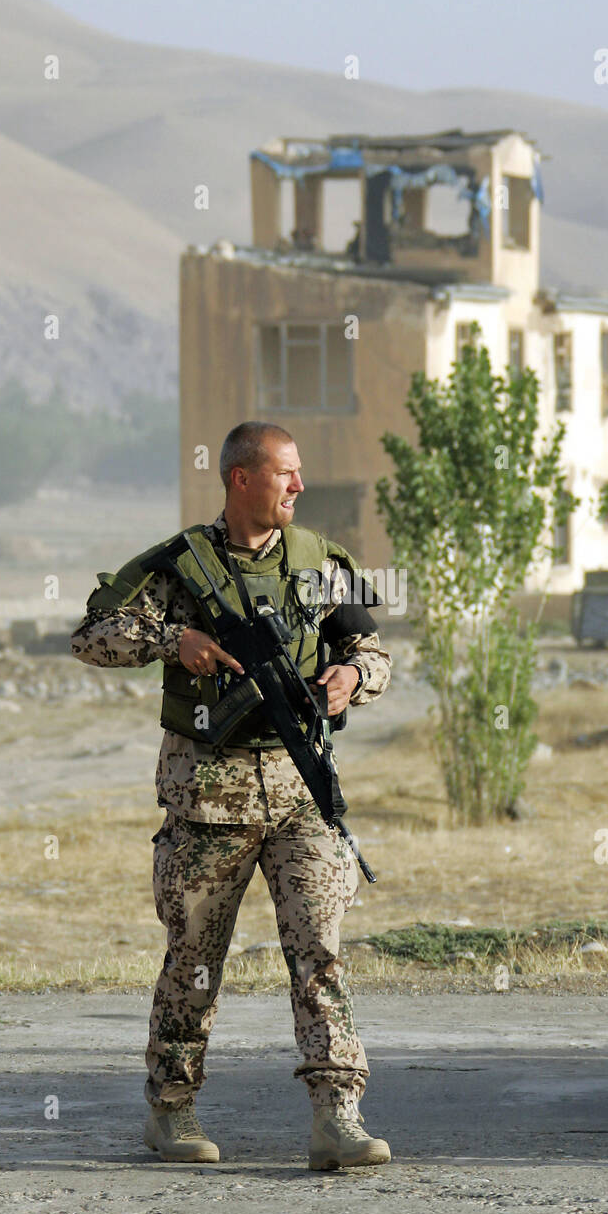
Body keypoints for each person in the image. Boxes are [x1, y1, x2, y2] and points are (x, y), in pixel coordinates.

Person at [70, 422, 392, 1170]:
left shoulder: (317, 564)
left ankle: (337, 1116)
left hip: (299, 792)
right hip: (206, 801)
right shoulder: (182, 566)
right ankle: (172, 1111)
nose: (299, 487)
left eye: (299, 474)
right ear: (241, 479)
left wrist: (353, 680)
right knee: (194, 961)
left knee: (320, 952)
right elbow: (92, 636)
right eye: (285, 474)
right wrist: (169, 640)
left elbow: (369, 652)